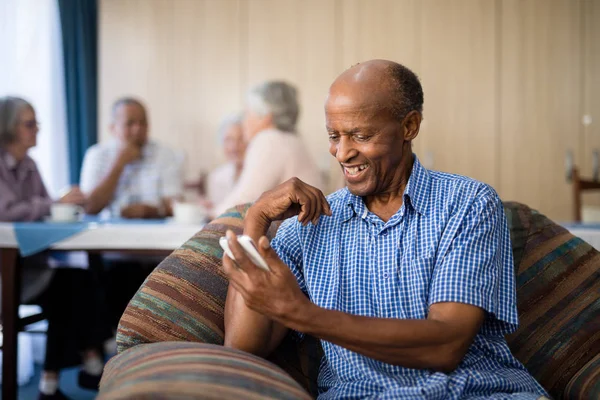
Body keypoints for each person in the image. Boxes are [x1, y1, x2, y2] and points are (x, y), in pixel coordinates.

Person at [221, 61, 549, 399]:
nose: (343, 153)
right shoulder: (309, 226)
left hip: (478, 392)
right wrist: (256, 220)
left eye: (361, 136)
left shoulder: (467, 204)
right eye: (334, 136)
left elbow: (445, 345)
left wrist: (302, 314)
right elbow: (243, 347)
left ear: (409, 126)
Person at [0, 96, 111, 400]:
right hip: (6, 273)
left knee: (77, 284)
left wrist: (64, 205)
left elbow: (44, 211)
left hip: (31, 267)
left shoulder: (30, 165)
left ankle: (72, 372)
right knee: (72, 289)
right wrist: (54, 204)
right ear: (9, 127)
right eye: (29, 123)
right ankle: (94, 354)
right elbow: (7, 211)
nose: (37, 129)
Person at [213, 81, 324, 216]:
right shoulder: (290, 139)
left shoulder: (270, 140)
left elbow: (242, 202)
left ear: (266, 117)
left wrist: (211, 213)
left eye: (248, 114)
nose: (244, 122)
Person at [80, 97, 183, 218]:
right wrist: (119, 164)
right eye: (130, 123)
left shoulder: (165, 153)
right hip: (107, 230)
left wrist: (152, 211)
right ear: (112, 128)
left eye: (143, 123)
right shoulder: (96, 154)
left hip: (156, 229)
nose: (137, 129)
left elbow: (175, 205)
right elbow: (89, 208)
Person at [200, 114, 247, 208]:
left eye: (241, 139)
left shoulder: (258, 172)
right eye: (229, 139)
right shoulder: (216, 177)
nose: (234, 147)